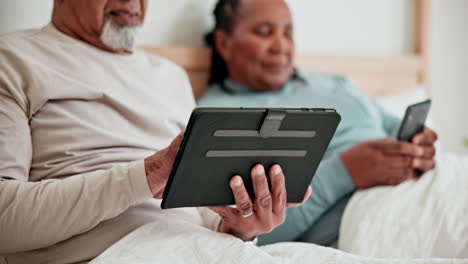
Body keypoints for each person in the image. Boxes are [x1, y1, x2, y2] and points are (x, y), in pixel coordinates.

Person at [0, 0, 312, 263]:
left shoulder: (170, 76)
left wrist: (240, 227)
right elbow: (4, 221)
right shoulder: (12, 59)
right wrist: (147, 175)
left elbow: (202, 214)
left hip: (198, 248)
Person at [199, 0, 438, 246]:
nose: (281, 46)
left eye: (288, 33)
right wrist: (345, 172)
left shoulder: (334, 84)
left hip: (424, 184)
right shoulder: (217, 118)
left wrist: (420, 146)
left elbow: (392, 126)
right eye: (264, 32)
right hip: (368, 215)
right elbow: (247, 231)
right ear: (224, 43)